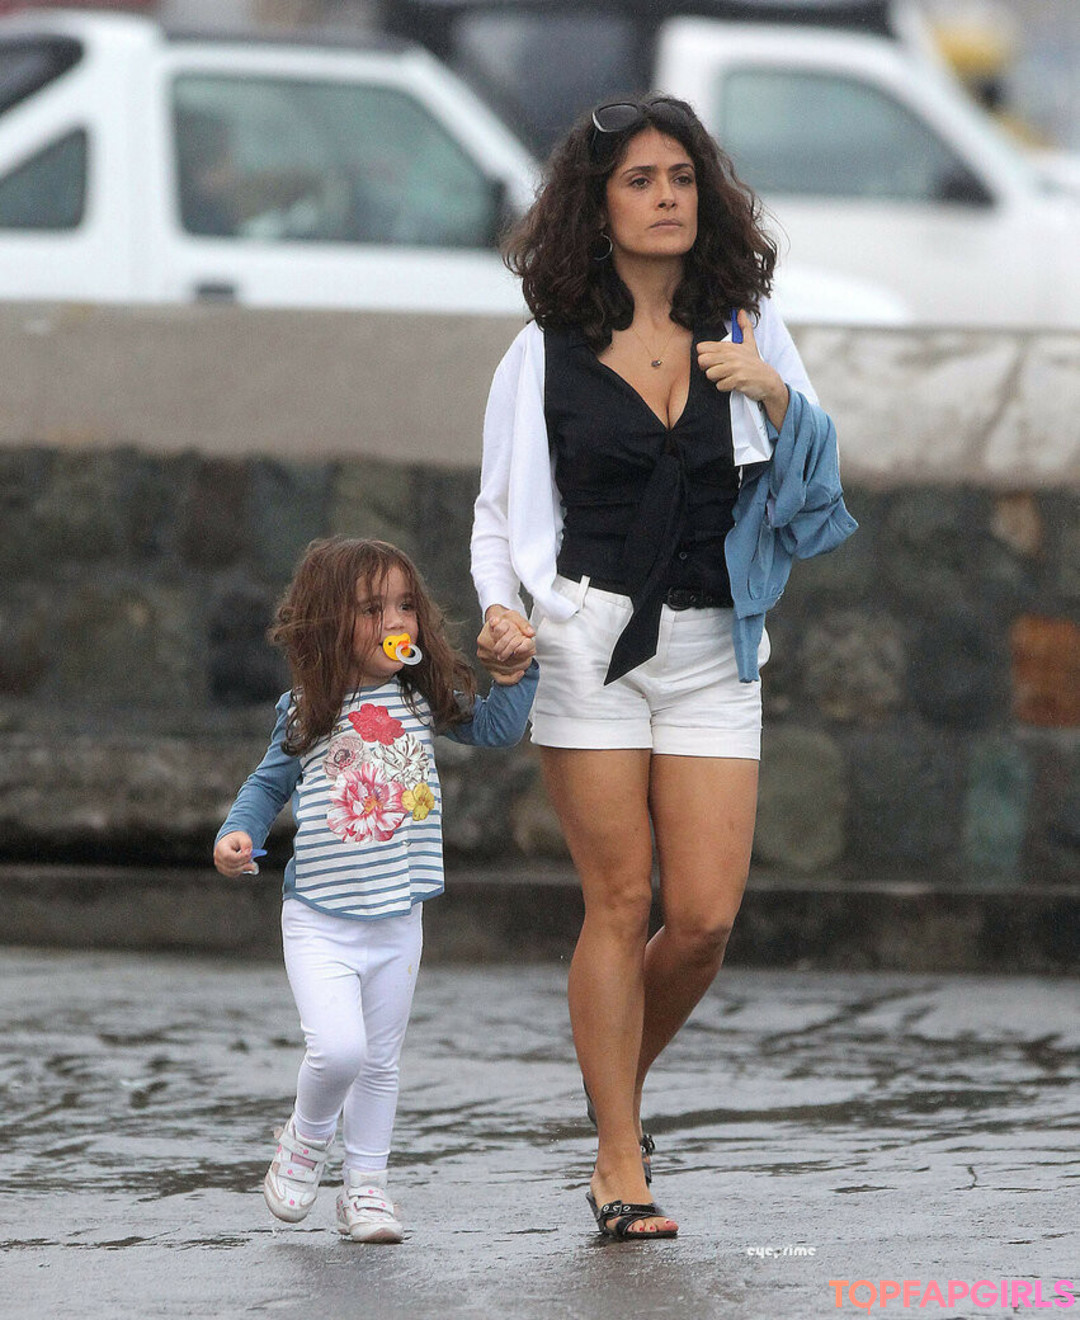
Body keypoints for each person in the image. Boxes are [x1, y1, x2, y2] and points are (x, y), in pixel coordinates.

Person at [471, 96, 856, 1240]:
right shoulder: (542, 349)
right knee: (620, 900)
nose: (667, 197)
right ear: (597, 206)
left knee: (702, 919)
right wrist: (501, 613)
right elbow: (498, 514)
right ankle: (619, 1157)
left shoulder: (749, 322)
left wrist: (773, 394)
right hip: (587, 643)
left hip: (713, 645)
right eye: (639, 180)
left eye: (681, 177)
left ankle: (613, 1094)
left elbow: (817, 480)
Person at [214, 536, 537, 1243]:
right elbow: (268, 783)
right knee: (339, 1051)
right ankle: (304, 1139)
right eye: (371, 610)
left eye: (404, 606)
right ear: (329, 625)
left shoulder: (423, 698)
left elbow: (498, 729)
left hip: (398, 917)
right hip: (319, 918)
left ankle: (365, 1189)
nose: (395, 622)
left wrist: (517, 675)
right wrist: (237, 831)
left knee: (380, 1062)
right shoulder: (307, 709)